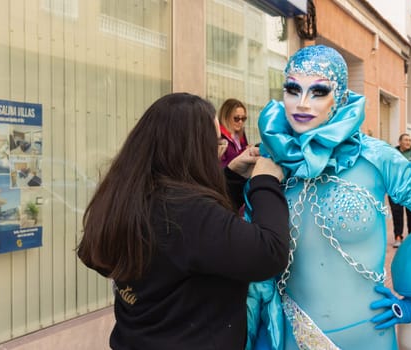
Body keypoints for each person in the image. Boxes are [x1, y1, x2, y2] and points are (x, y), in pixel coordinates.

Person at [246, 45, 411, 350]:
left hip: (367, 335)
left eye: (318, 92)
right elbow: (245, 247)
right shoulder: (272, 162)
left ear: (342, 97)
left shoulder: (377, 158)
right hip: (287, 338)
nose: (302, 103)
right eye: (293, 89)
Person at [77, 92, 290, 350]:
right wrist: (265, 182)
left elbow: (186, 243)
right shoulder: (187, 213)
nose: (218, 151)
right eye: (216, 144)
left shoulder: (127, 197)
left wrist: (231, 178)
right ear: (194, 150)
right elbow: (269, 252)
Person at [389, 133, 411, 247]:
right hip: (395, 188)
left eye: (410, 140)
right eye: (406, 140)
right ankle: (398, 237)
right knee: (397, 214)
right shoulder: (392, 153)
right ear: (400, 142)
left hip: (410, 189)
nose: (408, 142)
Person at [219, 98, 250, 167]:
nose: (240, 122)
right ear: (226, 117)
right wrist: (244, 153)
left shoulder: (241, 134)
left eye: (243, 118)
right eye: (236, 118)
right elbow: (221, 164)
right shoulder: (219, 136)